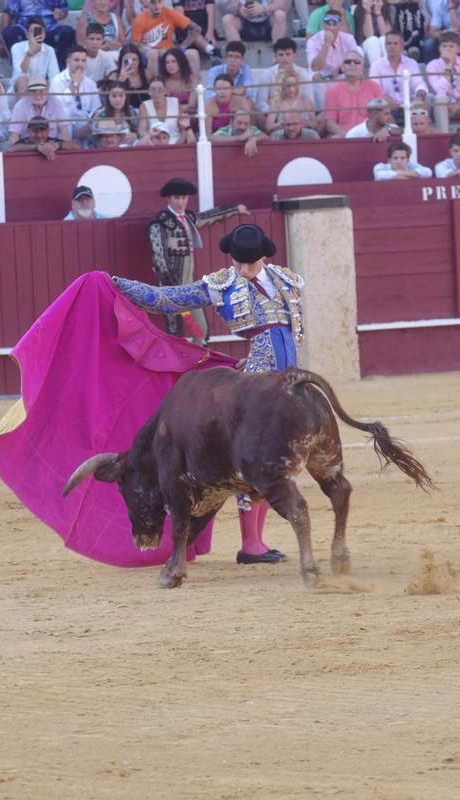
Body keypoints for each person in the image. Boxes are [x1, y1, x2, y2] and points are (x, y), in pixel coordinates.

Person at [112, 221, 302, 564]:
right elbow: (165, 299)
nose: (244, 270)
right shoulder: (222, 284)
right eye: (239, 263)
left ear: (264, 257)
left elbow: (284, 331)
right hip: (258, 383)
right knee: (255, 458)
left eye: (251, 263)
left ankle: (257, 540)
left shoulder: (283, 279)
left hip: (288, 376)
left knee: (276, 456)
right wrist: (117, 285)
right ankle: (251, 544)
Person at [146, 176, 248, 342]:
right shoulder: (160, 224)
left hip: (189, 290)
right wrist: (172, 289)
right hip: (171, 291)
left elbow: (209, 216)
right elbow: (159, 259)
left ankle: (198, 365)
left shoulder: (188, 219)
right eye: (177, 198)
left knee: (200, 331)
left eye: (184, 197)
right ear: (169, 199)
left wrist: (235, 209)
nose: (181, 202)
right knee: (174, 333)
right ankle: (177, 367)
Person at [131, 0, 202, 78]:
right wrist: (150, 50)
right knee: (153, 54)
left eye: (159, 2)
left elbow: (197, 29)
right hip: (149, 54)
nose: (157, 6)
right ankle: (157, 86)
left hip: (169, 51)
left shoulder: (170, 13)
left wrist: (183, 46)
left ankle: (192, 87)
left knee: (193, 53)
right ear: (148, 3)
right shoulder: (140, 20)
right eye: (153, 3)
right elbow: (135, 44)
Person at [322, 49, 383, 134]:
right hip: (345, 138)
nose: (352, 64)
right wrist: (349, 137)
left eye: (357, 62)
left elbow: (384, 116)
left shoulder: (374, 87)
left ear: (362, 67)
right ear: (342, 67)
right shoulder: (333, 91)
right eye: (348, 62)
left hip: (371, 137)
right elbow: (330, 123)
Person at [2, 0, 75, 68]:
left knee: (67, 32)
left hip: (49, 29)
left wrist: (61, 14)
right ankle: (19, 70)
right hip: (25, 30)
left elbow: (63, 10)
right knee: (9, 33)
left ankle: (58, 69)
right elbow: (8, 13)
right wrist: (1, 42)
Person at [51, 45, 101, 142]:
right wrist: (74, 85)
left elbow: (96, 108)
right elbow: (57, 107)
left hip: (85, 125)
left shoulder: (90, 83)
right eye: (76, 60)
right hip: (65, 125)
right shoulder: (57, 80)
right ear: (68, 62)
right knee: (64, 113)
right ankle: (66, 147)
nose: (80, 64)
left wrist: (89, 124)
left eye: (83, 61)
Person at [369, 30, 428, 112]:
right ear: (385, 46)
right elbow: (375, 90)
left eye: (395, 43)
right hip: (387, 107)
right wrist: (386, 99)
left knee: (424, 100)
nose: (392, 46)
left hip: (410, 105)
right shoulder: (376, 66)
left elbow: (419, 83)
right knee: (379, 102)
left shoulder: (412, 63)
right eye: (389, 43)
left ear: (402, 46)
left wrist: (420, 95)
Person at [307, 10, 358, 78]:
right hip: (321, 73)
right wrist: (326, 44)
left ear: (340, 25)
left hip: (341, 72)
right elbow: (316, 67)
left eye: (334, 24)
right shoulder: (313, 40)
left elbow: (354, 62)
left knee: (356, 74)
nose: (331, 28)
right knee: (316, 76)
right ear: (324, 24)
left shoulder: (349, 38)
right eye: (328, 24)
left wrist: (339, 70)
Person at [11, 16, 59, 81]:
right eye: (32, 31)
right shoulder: (17, 47)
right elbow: (21, 72)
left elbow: (54, 75)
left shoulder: (50, 50)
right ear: (27, 34)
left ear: (44, 34)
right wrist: (29, 55)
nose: (35, 34)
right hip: (20, 86)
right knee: (23, 81)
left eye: (39, 31)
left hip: (40, 86)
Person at [221, 0, 288, 46]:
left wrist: (264, 9)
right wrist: (239, 9)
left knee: (280, 15)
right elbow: (229, 6)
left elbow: (281, 4)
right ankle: (237, 57)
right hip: (245, 24)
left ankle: (278, 56)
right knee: (227, 19)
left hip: (268, 23)